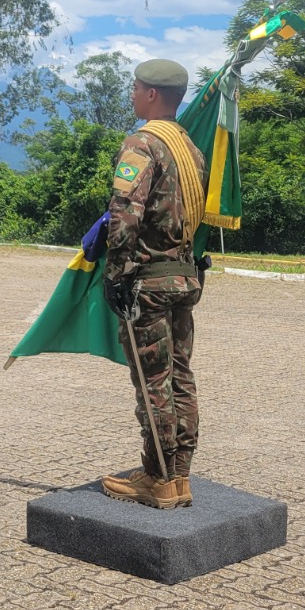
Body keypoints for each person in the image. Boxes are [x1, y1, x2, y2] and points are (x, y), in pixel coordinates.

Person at [96, 59, 207, 511]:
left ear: (153, 95)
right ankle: (179, 475)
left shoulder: (143, 144)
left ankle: (157, 480)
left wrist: (116, 273)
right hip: (183, 275)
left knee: (153, 381)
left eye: (136, 88)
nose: (132, 94)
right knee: (181, 377)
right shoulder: (190, 148)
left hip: (148, 281)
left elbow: (125, 213)